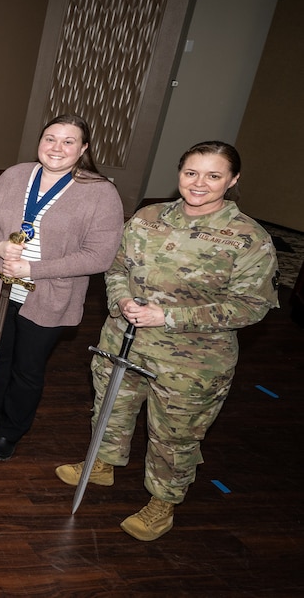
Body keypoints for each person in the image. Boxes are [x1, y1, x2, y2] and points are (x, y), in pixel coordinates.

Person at [55, 141, 278, 541]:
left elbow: (252, 306)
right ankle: (103, 464)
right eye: (191, 173)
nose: (199, 183)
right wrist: (121, 300)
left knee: (175, 435)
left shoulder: (248, 238)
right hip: (124, 341)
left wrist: (170, 316)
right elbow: (116, 267)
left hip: (191, 362)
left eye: (213, 176)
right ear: (179, 173)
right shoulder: (148, 217)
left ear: (232, 180)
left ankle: (163, 502)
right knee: (111, 409)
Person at [0, 114, 123, 461]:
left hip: (50, 296)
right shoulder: (15, 175)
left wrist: (34, 269)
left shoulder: (101, 192)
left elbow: (99, 256)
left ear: (84, 148)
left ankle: (11, 430)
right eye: (50, 138)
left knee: (27, 368)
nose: (57, 148)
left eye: (68, 141)